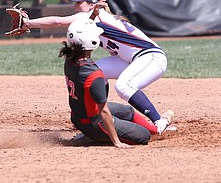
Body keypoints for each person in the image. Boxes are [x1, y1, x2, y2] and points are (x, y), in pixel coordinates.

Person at [17, 0, 174, 134]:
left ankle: (159, 122)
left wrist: (27, 23)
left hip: (151, 57)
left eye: (79, 2)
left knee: (123, 86)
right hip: (132, 59)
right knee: (96, 71)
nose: (75, 6)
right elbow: (117, 51)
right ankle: (99, 114)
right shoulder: (95, 19)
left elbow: (57, 22)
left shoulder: (91, 16)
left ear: (92, 5)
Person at [60, 18, 155, 147]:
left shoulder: (70, 60)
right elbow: (103, 111)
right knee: (144, 136)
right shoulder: (93, 74)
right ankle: (92, 137)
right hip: (93, 123)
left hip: (79, 115)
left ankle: (156, 129)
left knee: (127, 111)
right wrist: (117, 142)